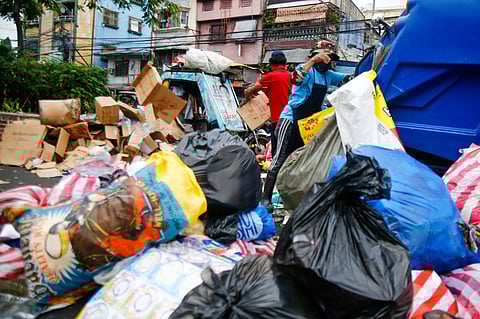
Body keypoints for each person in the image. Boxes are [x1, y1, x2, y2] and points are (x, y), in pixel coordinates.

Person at [261, 46, 350, 209]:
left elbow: (349, 79)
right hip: (290, 120)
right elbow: (297, 78)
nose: (328, 61)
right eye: (325, 57)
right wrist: (314, 60)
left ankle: (290, 194)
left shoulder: (328, 76)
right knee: (279, 158)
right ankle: (265, 198)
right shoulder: (307, 71)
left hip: (307, 125)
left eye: (330, 59)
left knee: (301, 160)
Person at [245, 51, 291, 157]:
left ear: (272, 64)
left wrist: (249, 102)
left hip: (277, 121)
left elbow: (249, 91)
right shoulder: (291, 76)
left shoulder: (271, 76)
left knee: (277, 153)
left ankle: (275, 173)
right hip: (291, 120)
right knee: (287, 151)